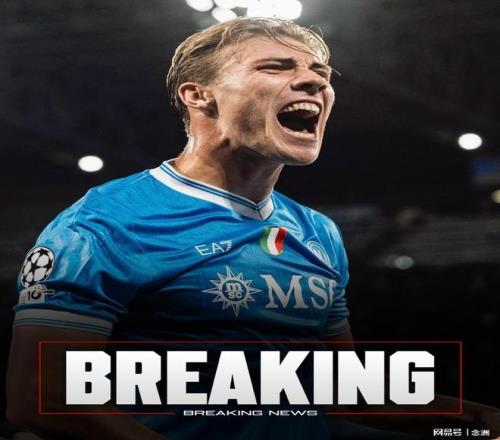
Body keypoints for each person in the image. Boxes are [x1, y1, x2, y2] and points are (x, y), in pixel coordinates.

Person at [6, 17, 351, 439]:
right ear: (198, 95)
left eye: (320, 72)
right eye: (274, 67)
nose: (314, 81)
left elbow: (342, 388)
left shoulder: (318, 232)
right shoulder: (106, 223)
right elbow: (41, 396)